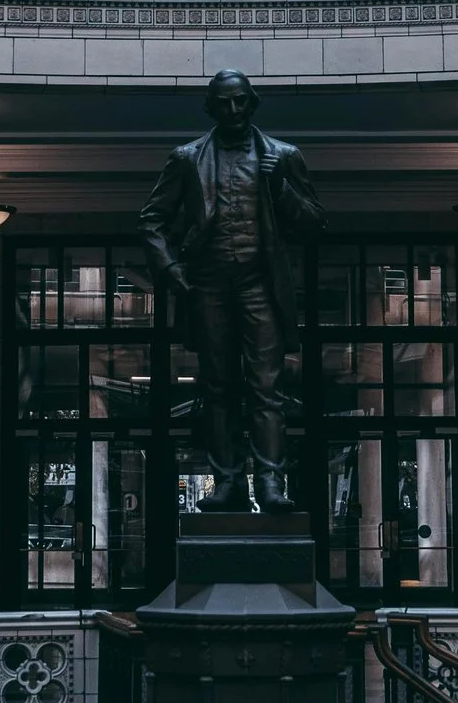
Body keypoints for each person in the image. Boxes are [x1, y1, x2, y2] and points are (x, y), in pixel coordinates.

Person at [138, 72, 322, 510]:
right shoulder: (186, 159)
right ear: (212, 107)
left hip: (261, 284)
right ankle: (227, 482)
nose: (234, 111)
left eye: (241, 102)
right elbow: (151, 221)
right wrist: (173, 271)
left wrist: (280, 186)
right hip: (208, 285)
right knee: (218, 389)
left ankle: (271, 484)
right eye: (224, 103)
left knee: (266, 388)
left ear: (252, 103)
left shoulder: (283, 156)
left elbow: (314, 223)